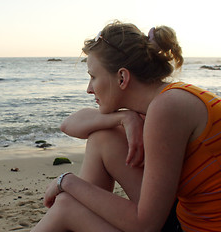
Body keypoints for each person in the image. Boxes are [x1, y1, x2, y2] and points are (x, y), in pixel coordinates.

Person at [31, 21, 221, 232]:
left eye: (93, 77)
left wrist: (66, 182)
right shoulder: (164, 100)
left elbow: (145, 225)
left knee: (66, 207)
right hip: (181, 218)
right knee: (102, 139)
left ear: (122, 77)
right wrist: (125, 118)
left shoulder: (167, 108)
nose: (89, 89)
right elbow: (68, 124)